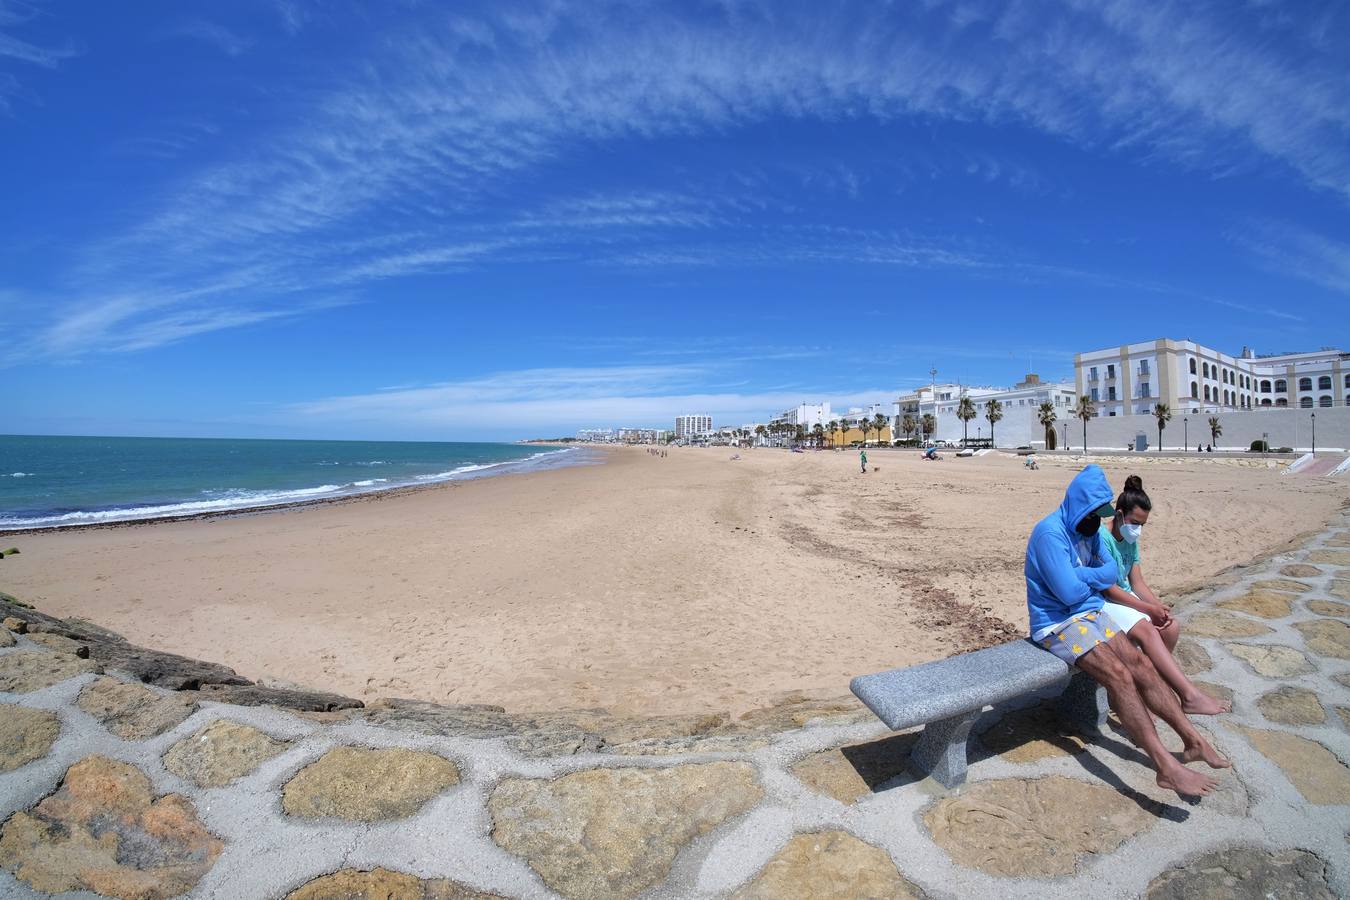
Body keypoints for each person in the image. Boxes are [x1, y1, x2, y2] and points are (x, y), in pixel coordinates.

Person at [1025, 464, 1227, 797]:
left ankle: (1193, 740)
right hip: (1057, 622)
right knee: (1118, 674)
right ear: (1078, 505)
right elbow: (1068, 593)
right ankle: (1166, 767)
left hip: (1088, 612)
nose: (1096, 520)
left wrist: (1085, 579)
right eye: (1093, 512)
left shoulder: (1089, 530)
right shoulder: (1050, 534)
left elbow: (1109, 573)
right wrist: (1090, 579)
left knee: (1142, 665)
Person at [1099, 476, 1229, 715]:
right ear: (1118, 514)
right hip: (1107, 600)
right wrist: (1146, 609)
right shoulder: (1102, 538)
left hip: (1125, 599)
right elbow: (1109, 589)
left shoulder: (1129, 539)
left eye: (1142, 525)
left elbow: (1137, 582)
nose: (1137, 529)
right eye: (1134, 522)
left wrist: (1157, 606)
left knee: (1170, 627)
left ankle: (1149, 686)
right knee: (1147, 628)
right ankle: (1188, 696)